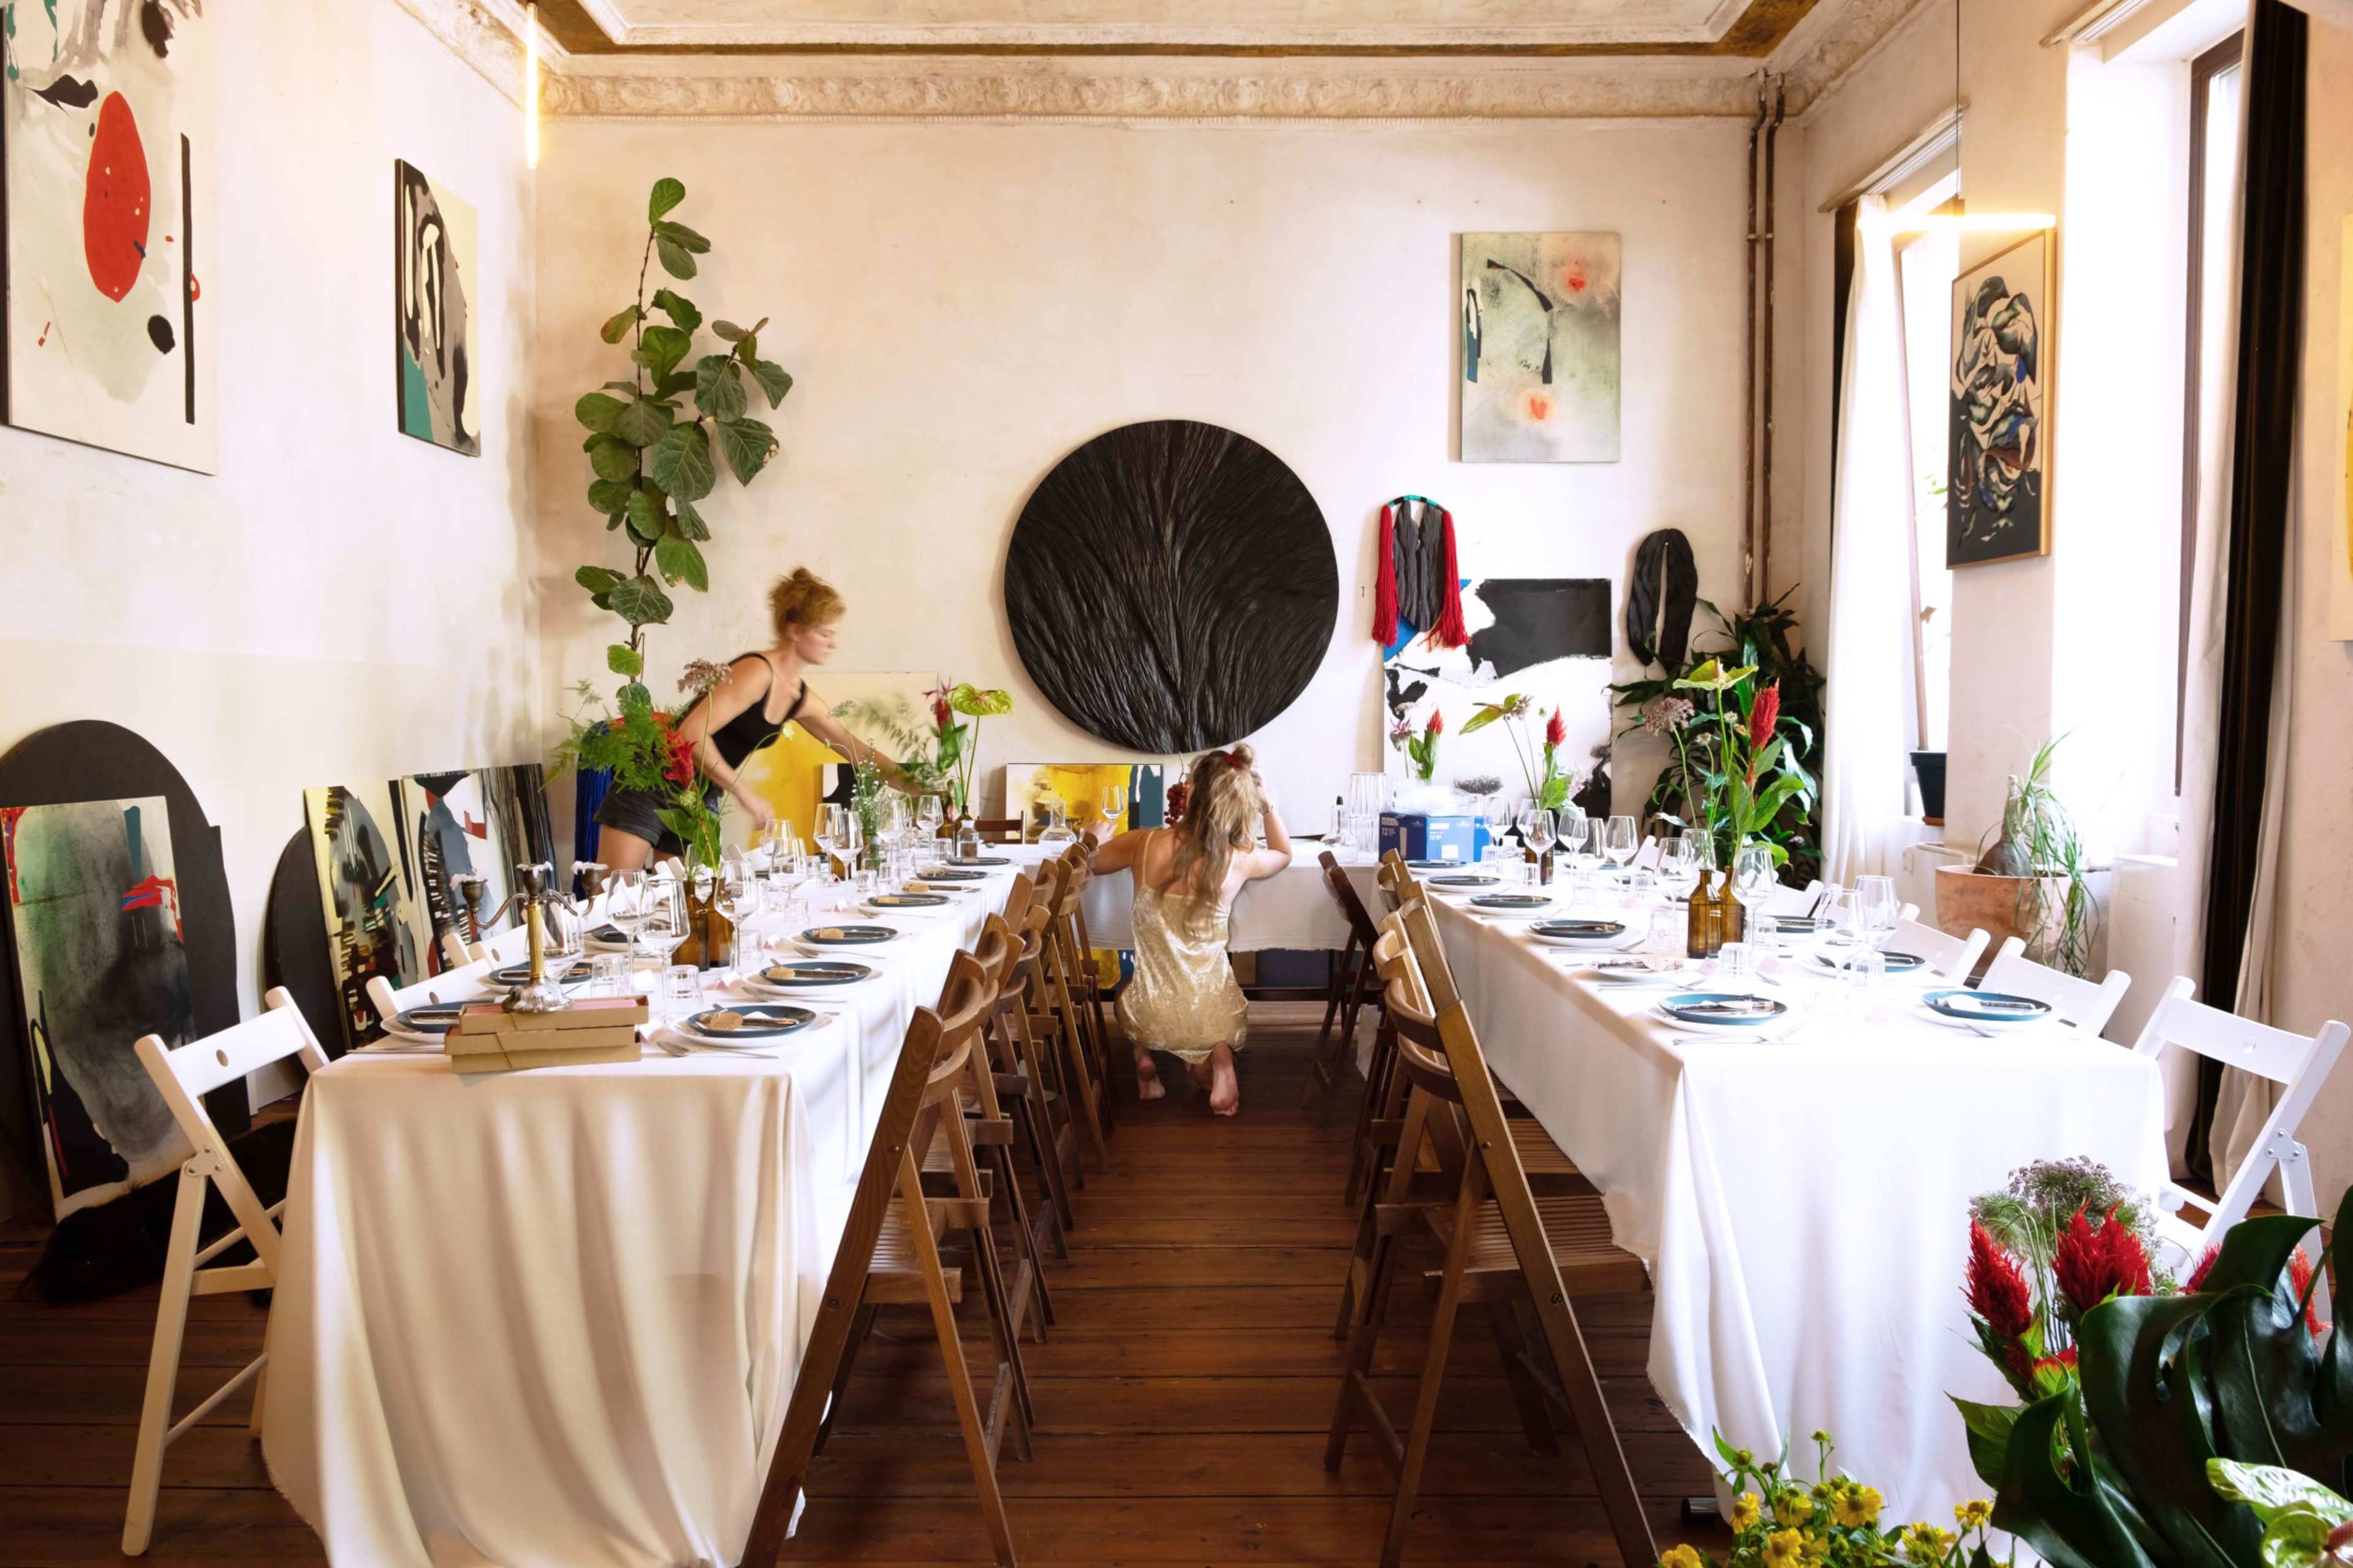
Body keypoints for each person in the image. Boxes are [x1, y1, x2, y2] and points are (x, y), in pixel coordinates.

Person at [593, 567, 928, 871]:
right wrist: (745, 793)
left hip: (697, 796)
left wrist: (921, 790)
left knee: (679, 905)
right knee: (616, 901)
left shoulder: (799, 696)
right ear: (795, 631)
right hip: (651, 782)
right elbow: (691, 732)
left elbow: (854, 749)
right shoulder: (756, 672)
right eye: (826, 634)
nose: (834, 643)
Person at [1086, 744, 1291, 1116]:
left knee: (1124, 996)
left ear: (1193, 792)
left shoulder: (1144, 843)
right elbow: (1283, 854)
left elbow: (1091, 866)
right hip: (1213, 1015)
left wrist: (1092, 839)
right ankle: (1220, 1057)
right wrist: (1269, 806)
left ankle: (1144, 1063)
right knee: (1206, 1051)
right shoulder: (1240, 859)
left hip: (1148, 1010)